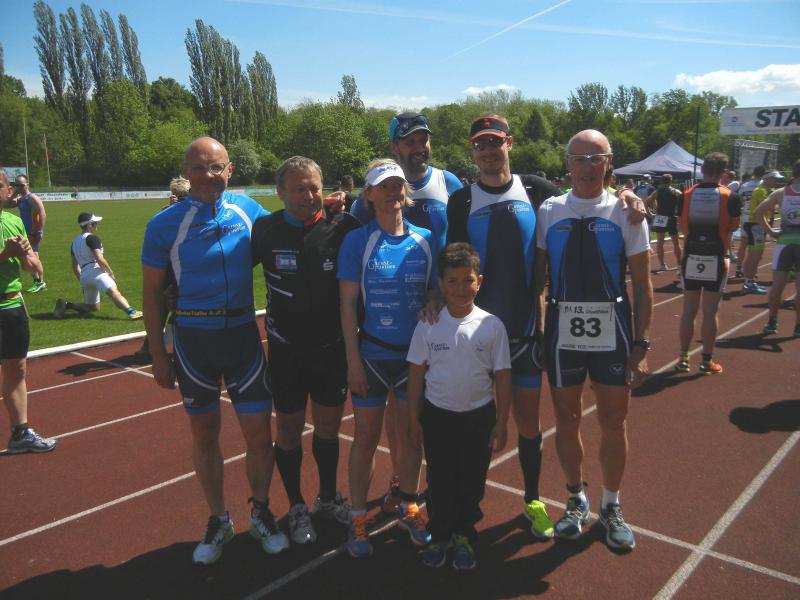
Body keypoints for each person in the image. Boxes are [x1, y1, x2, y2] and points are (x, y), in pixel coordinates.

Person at [445, 116, 646, 541]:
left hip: (554, 333)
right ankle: (474, 509)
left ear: (509, 144)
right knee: (492, 423)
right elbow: (461, 262)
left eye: (495, 142)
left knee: (576, 421)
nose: (488, 150)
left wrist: (629, 194)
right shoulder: (477, 202)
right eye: (480, 144)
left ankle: (582, 503)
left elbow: (638, 281)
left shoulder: (538, 191)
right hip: (496, 334)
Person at [141, 137, 288, 565]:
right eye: (199, 168)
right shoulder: (163, 224)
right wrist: (158, 353)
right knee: (204, 435)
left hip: (242, 336)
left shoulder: (249, 210)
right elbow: (151, 293)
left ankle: (260, 512)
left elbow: (288, 232)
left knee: (259, 435)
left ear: (230, 170)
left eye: (216, 167)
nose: (208, 176)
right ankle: (219, 518)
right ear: (186, 172)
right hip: (194, 341)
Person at [536, 129, 652, 551]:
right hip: (563, 332)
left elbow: (643, 285)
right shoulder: (549, 210)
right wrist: (541, 331)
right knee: (566, 419)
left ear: (609, 162)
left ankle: (611, 505)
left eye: (595, 158)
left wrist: (641, 345)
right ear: (567, 163)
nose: (587, 167)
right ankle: (575, 499)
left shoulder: (626, 212)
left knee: (613, 421)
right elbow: (540, 281)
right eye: (579, 158)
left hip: (613, 331)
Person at [351, 113, 462, 514]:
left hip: (441, 314)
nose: (418, 147)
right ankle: (402, 484)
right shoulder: (372, 195)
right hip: (389, 324)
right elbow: (349, 242)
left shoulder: (449, 183)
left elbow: (466, 240)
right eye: (409, 141)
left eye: (423, 139)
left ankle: (434, 486)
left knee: (435, 412)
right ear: (395, 146)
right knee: (399, 418)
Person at [251, 156, 360, 545]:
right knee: (289, 431)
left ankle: (327, 498)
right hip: (287, 352)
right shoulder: (265, 230)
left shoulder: (343, 227)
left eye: (314, 187)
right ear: (280, 192)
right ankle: (296, 505)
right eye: (299, 188)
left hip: (332, 350)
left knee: (329, 428)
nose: (308, 195)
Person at [338, 159, 438, 558]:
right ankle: (358, 516)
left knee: (412, 435)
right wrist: (352, 361)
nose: (393, 192)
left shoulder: (426, 238)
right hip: (373, 355)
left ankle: (410, 505)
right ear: (369, 194)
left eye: (398, 185)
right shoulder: (357, 241)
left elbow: (434, 291)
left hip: (413, 359)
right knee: (365, 438)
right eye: (384, 186)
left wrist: (432, 300)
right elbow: (347, 305)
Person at [407, 242, 512, 571]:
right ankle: (439, 536)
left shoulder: (492, 326)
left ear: (479, 281)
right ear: (440, 284)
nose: (460, 288)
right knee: (440, 481)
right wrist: (413, 419)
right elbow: (415, 374)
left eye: (468, 280)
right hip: (438, 416)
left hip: (479, 417)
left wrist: (502, 422)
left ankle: (464, 535)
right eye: (452, 281)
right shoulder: (428, 324)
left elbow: (503, 376)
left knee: (472, 481)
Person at [1, 171, 56, 454]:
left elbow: (32, 267)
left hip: (11, 305)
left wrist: (27, 257)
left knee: (17, 368)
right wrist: (4, 254)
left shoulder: (12, 222)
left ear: (7, 190)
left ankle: (20, 433)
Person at [675, 152, 741, 374]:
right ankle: (706, 361)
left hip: (691, 255)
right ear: (723, 173)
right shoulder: (730, 196)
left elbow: (680, 223)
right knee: (711, 311)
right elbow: (734, 225)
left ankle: (683, 358)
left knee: (688, 310)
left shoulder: (686, 195)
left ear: (702, 170)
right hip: (716, 256)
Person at [136, 176, 191, 358]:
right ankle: (166, 347)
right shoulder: (172, 212)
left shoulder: (166, 213)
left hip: (167, 267)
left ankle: (150, 346)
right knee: (175, 308)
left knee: (162, 307)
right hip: (177, 268)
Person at [53, 213, 143, 320]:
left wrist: (82, 280)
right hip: (96, 272)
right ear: (89, 225)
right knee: (114, 292)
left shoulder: (74, 242)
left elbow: (74, 265)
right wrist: (110, 272)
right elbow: (99, 258)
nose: (97, 225)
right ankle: (131, 312)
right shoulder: (92, 238)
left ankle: (67, 305)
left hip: (84, 275)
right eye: (95, 223)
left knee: (93, 307)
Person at [757, 159, 800, 337]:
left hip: (784, 243)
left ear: (793, 174)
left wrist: (770, 232)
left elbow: (758, 212)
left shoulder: (781, 193)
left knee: (777, 286)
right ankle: (798, 326)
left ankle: (772, 322)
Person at [6, 174, 46, 293]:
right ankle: (38, 282)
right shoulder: (20, 199)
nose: (19, 187)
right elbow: (6, 204)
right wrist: (14, 193)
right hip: (25, 232)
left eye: (21, 185)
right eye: (17, 185)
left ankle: (40, 282)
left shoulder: (31, 197)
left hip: (33, 232)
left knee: (32, 257)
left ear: (27, 185)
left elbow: (43, 214)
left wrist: (39, 230)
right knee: (29, 257)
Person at [737, 166, 768, 290]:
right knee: (755, 249)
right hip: (757, 220)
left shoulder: (745, 185)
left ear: (754, 173)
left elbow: (739, 200)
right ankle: (751, 272)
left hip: (745, 217)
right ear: (764, 174)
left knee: (743, 244)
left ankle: (739, 268)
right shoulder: (764, 185)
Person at [646, 174, 683, 271]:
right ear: (671, 181)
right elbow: (683, 202)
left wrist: (650, 214)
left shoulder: (657, 191)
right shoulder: (675, 191)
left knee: (660, 242)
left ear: (662, 181)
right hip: (671, 217)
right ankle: (679, 263)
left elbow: (646, 202)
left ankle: (662, 265)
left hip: (660, 217)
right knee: (675, 242)